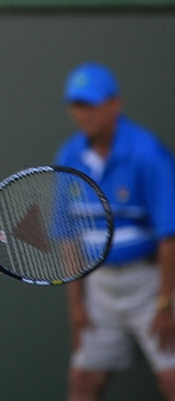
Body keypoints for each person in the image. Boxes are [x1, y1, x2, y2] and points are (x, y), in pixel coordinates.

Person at [54, 62, 175, 401]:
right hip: (99, 288)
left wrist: (166, 302)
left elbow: (169, 236)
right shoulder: (69, 155)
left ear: (114, 105)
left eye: (90, 105)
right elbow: (68, 237)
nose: (83, 114)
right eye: (77, 106)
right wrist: (77, 305)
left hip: (152, 286)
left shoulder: (148, 154)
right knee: (83, 381)